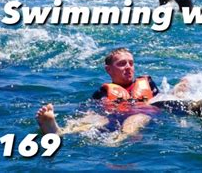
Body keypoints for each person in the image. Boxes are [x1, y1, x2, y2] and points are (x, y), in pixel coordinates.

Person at [36, 47, 186, 142]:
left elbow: (162, 99)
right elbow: (90, 109)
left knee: (137, 118)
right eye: (122, 64)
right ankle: (57, 130)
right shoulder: (103, 91)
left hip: (142, 114)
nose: (128, 67)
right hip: (112, 116)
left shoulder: (148, 83)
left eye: (131, 63)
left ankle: (118, 139)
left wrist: (178, 90)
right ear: (109, 70)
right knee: (95, 118)